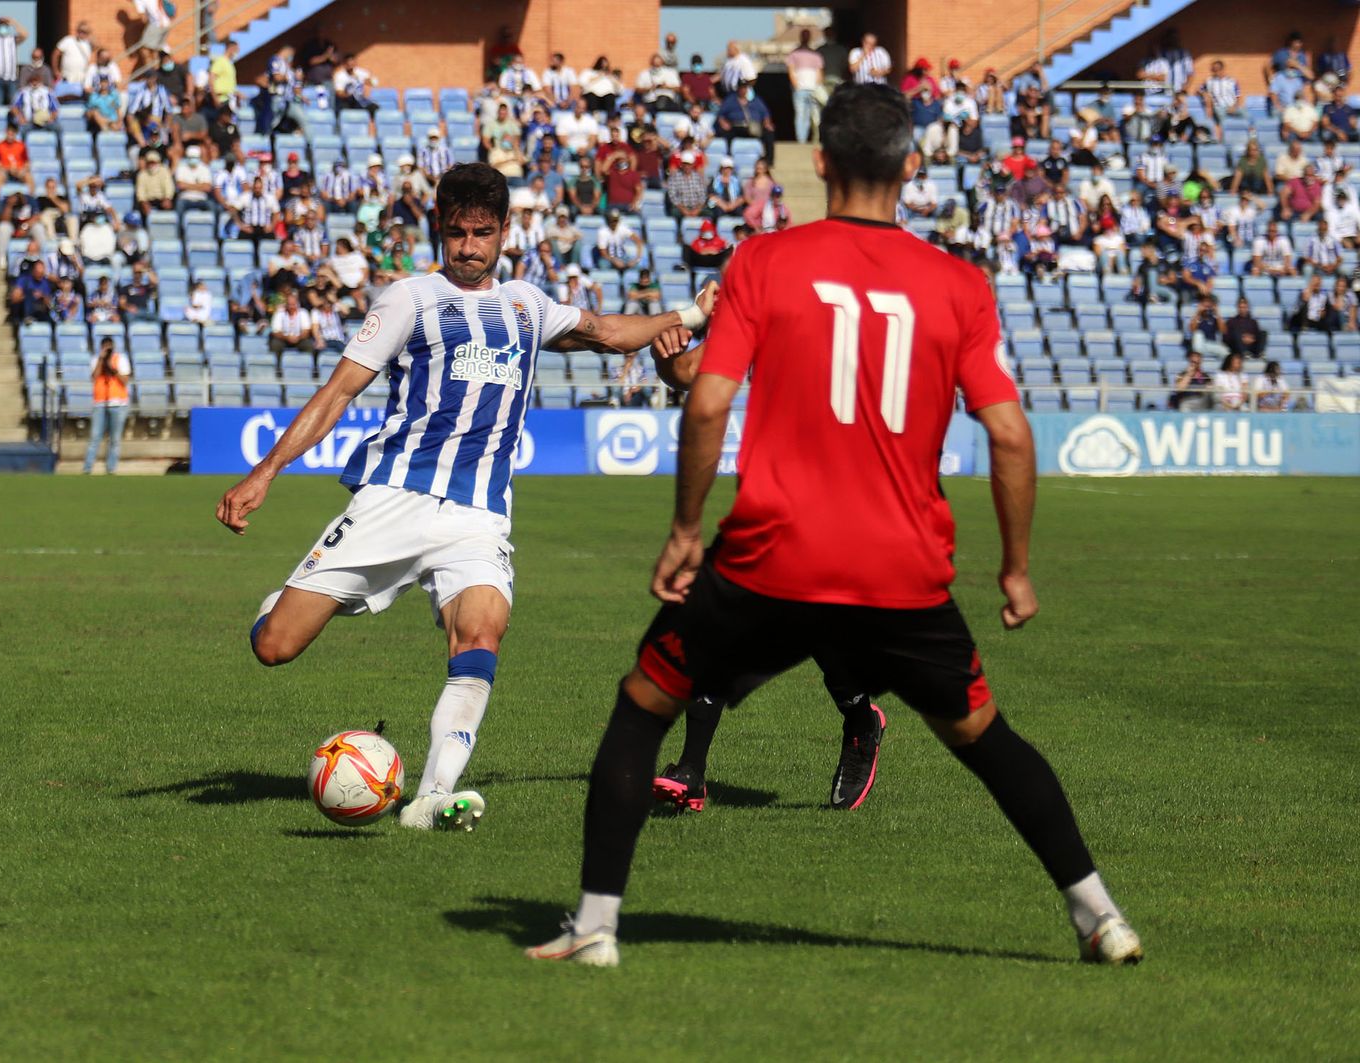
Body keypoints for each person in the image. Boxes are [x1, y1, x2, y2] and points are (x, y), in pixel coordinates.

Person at [525, 83, 1142, 969]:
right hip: (904, 570)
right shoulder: (959, 285)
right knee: (986, 739)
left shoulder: (765, 261)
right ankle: (1100, 917)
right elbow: (1008, 431)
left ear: (818, 164)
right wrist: (1014, 567)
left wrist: (687, 528)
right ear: (913, 166)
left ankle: (594, 928)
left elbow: (706, 401)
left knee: (641, 705)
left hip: (770, 556)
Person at [213, 163, 717, 833]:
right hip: (394, 499)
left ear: (505, 231)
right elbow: (338, 392)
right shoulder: (408, 300)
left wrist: (690, 313)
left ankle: (430, 796)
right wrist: (265, 472)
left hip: (478, 513)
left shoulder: (528, 305)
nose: (470, 247)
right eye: (457, 233)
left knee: (481, 631)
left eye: (483, 233)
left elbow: (605, 331)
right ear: (439, 230)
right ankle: (288, 598)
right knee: (274, 645)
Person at [85, 338, 132, 474]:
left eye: (109, 347)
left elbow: (125, 381)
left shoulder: (120, 359)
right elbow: (94, 377)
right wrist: (101, 360)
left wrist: (113, 369)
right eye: (105, 347)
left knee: (115, 439)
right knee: (95, 437)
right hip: (100, 403)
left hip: (118, 404)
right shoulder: (96, 360)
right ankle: (87, 468)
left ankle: (111, 469)